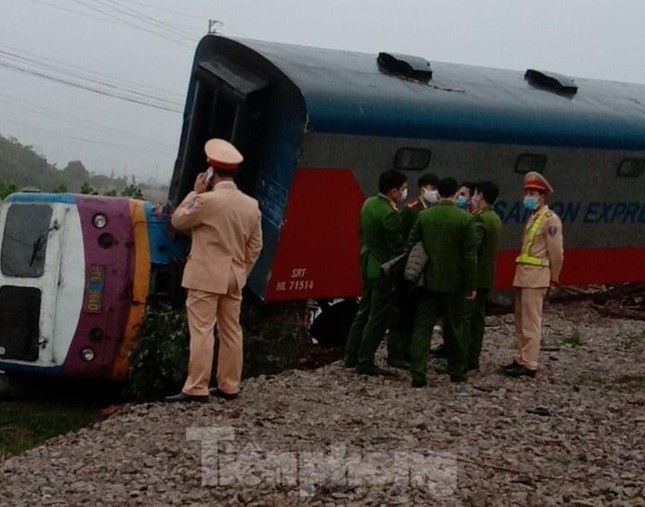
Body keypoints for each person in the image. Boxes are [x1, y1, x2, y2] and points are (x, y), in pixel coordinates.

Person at [165, 138, 263, 402]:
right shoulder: (251, 205)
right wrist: (241, 271)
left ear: (211, 171)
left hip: (205, 275)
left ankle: (197, 387)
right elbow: (255, 247)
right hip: (234, 276)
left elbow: (178, 219)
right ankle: (229, 385)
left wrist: (195, 192)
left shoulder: (206, 201)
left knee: (202, 330)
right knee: (232, 330)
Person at [408, 177, 478, 386]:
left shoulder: (424, 216)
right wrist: (471, 285)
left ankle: (418, 373)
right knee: (454, 327)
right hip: (454, 283)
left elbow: (412, 243)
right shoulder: (465, 220)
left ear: (438, 194)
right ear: (456, 194)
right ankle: (457, 371)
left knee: (423, 326)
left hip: (427, 281)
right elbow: (469, 257)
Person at [344, 169, 408, 375]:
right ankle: (365, 360)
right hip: (382, 270)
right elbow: (396, 248)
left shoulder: (369, 203)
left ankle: (350, 355)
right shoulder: (390, 214)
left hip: (366, 265)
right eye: (403, 189)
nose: (405, 192)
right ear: (393, 191)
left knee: (363, 312)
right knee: (378, 318)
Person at [505, 171, 563, 378]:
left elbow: (556, 252)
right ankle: (522, 357)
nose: (528, 196)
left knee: (531, 322)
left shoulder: (550, 220)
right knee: (521, 320)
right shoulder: (534, 218)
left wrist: (554, 276)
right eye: (527, 192)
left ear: (542, 196)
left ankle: (530, 363)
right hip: (524, 275)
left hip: (536, 276)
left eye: (533, 193)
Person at [387, 173, 440, 368]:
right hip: (410, 267)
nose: (434, 193)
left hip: (421, 269)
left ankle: (408, 350)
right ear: (422, 190)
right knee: (402, 312)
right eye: (431, 188)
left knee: (414, 313)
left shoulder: (430, 210)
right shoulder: (411, 211)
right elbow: (404, 239)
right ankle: (395, 352)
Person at [462, 181, 503, 371]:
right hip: (487, 277)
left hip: (476, 277)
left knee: (466, 319)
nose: (474, 198)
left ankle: (461, 360)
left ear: (481, 196)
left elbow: (472, 250)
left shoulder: (479, 219)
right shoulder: (494, 218)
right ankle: (473, 358)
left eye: (476, 195)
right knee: (478, 320)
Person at [400, 173, 440, 241]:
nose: (436, 192)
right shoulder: (410, 209)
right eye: (433, 189)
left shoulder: (435, 210)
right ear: (422, 190)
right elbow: (402, 234)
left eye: (437, 189)